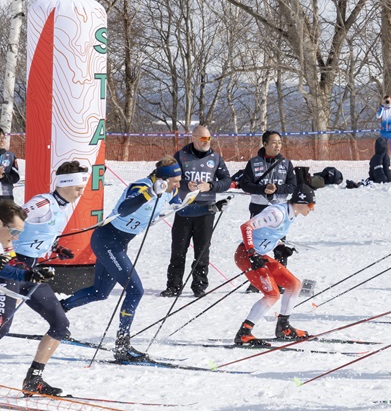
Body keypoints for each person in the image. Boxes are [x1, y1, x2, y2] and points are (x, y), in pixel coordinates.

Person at [62, 158, 189, 362]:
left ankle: (58, 311)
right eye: (175, 181)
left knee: (99, 292)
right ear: (162, 180)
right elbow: (124, 208)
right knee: (135, 290)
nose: (178, 184)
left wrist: (211, 206)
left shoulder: (170, 190)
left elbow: (179, 204)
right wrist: (149, 193)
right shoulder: (141, 187)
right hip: (107, 240)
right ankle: (122, 345)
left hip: (119, 244)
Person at [7, 162, 88, 395]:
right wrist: (10, 255)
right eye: (77, 188)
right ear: (64, 184)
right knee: (2, 326)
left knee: (60, 325)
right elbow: (9, 224)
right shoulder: (42, 204)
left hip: (32, 271)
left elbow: (39, 233)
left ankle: (33, 379)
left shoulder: (62, 208)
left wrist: (55, 247)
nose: (80, 193)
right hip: (13, 267)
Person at [231, 185, 316, 347]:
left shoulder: (291, 214)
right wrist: (252, 253)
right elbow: (246, 227)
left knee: (294, 285)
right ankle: (244, 333)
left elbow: (268, 234)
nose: (312, 209)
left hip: (260, 255)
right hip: (246, 255)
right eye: (311, 205)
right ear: (301, 202)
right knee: (272, 294)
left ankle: (283, 327)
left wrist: (280, 246)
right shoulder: (277, 213)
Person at [163, 126, 232, 298]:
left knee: (202, 251)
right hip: (184, 209)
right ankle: (173, 286)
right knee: (178, 250)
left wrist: (211, 185)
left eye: (208, 138)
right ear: (193, 138)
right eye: (202, 139)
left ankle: (199, 286)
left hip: (206, 210)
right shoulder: (181, 155)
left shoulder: (215, 158)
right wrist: (186, 184)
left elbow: (226, 181)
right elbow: (170, 177)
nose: (206, 142)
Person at [238, 131, 297, 277]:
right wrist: (262, 189)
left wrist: (277, 189)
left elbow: (292, 186)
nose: (278, 146)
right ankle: (257, 279)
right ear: (265, 144)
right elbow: (245, 185)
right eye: (274, 143)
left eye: (280, 143)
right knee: (257, 245)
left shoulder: (286, 163)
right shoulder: (253, 162)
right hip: (259, 207)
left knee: (280, 247)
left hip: (279, 209)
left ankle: (280, 279)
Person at [0, 128, 20, 201]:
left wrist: (2, 176)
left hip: (6, 197)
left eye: (3, 138)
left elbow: (16, 177)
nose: (1, 141)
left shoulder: (10, 156)